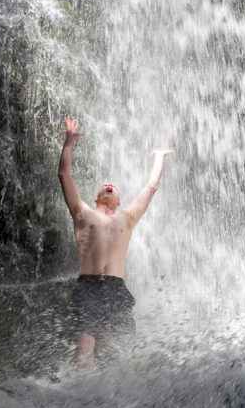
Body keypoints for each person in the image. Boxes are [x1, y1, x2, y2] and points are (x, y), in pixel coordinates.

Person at [57, 115, 172, 364]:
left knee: (122, 351)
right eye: (104, 185)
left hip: (117, 289)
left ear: (119, 201)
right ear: (96, 197)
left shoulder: (127, 219)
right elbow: (64, 175)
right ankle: (83, 392)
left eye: (113, 186)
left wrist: (159, 157)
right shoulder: (82, 214)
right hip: (88, 286)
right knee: (86, 345)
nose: (108, 184)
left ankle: (120, 398)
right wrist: (69, 141)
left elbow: (151, 188)